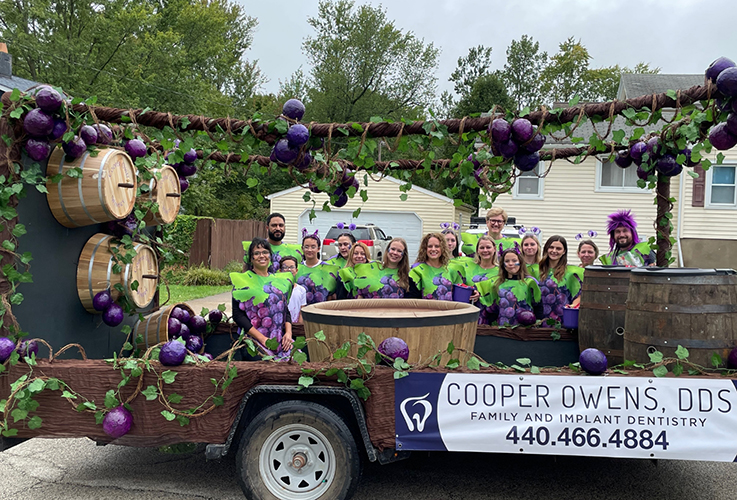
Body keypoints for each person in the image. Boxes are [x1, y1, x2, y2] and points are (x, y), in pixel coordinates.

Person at [231, 238, 294, 360]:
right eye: (256, 253)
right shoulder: (242, 280)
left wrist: (288, 333)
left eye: (265, 252)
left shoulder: (280, 280)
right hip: (254, 343)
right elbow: (238, 315)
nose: (261, 256)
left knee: (297, 365)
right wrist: (262, 339)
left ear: (270, 256)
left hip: (279, 341)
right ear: (251, 258)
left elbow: (285, 310)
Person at [476, 248, 541, 326]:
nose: (510, 264)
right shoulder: (497, 282)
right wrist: (475, 293)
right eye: (507, 261)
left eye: (514, 261)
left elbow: (539, 306)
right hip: (503, 328)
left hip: (525, 330)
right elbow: (484, 297)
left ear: (520, 262)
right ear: (503, 264)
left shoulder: (530, 282)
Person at [339, 238, 420, 298]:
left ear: (403, 255)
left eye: (399, 251)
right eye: (393, 249)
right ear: (387, 250)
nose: (395, 253)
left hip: (396, 317)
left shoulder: (408, 276)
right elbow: (360, 291)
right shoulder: (373, 267)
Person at [537, 236, 583, 321]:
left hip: (561, 322)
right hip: (537, 322)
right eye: (551, 247)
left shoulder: (571, 273)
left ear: (564, 251)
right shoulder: (537, 270)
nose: (554, 251)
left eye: (558, 248)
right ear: (546, 249)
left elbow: (579, 296)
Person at [409, 233, 460, 300]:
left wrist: (473, 293)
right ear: (425, 248)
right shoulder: (416, 270)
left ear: (442, 248)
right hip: (426, 309)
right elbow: (412, 299)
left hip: (448, 309)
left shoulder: (452, 269)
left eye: (437, 246)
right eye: (430, 246)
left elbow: (460, 293)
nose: (433, 249)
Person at [296, 230, 340, 305]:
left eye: (313, 247)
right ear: (302, 249)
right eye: (306, 247)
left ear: (318, 249)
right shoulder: (296, 268)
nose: (309, 250)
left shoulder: (329, 269)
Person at [280, 256, 306, 324]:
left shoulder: (301, 290)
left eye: (292, 267)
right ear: (280, 271)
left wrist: (299, 325)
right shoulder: (277, 289)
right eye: (285, 267)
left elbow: (302, 310)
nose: (289, 269)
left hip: (295, 325)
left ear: (296, 270)